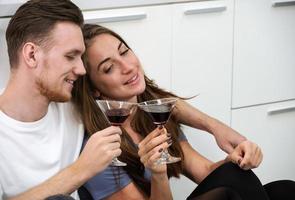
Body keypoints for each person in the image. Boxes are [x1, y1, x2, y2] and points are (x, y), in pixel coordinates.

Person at [72, 24, 294, 200]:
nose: (128, 67)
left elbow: (207, 172)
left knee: (283, 190)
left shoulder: (154, 116)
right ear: (94, 89)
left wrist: (237, 159)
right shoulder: (101, 147)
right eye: (109, 68)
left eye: (125, 52)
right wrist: (158, 175)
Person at [0, 1, 122, 199]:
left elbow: (140, 92)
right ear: (32, 55)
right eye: (70, 56)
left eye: (80, 57)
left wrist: (190, 118)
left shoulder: (72, 100)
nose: (81, 70)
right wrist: (82, 169)